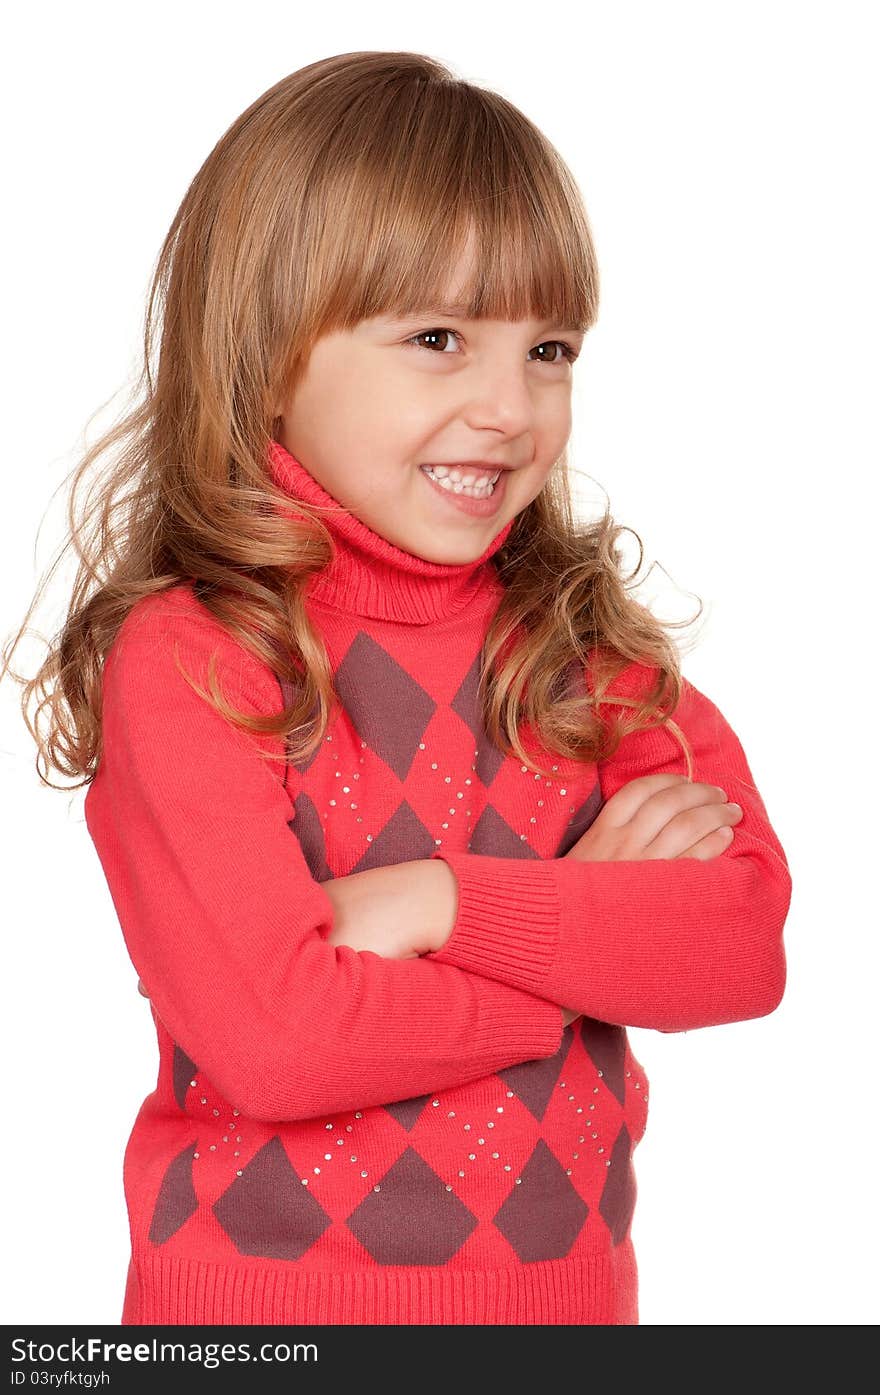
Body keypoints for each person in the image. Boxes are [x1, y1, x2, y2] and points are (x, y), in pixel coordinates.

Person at [3, 50, 791, 1326]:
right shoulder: (197, 659)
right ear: (264, 358)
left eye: (547, 348)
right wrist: (585, 926)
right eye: (436, 338)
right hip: (257, 1324)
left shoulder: (587, 653)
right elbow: (281, 1036)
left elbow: (739, 945)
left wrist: (429, 901)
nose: (508, 405)